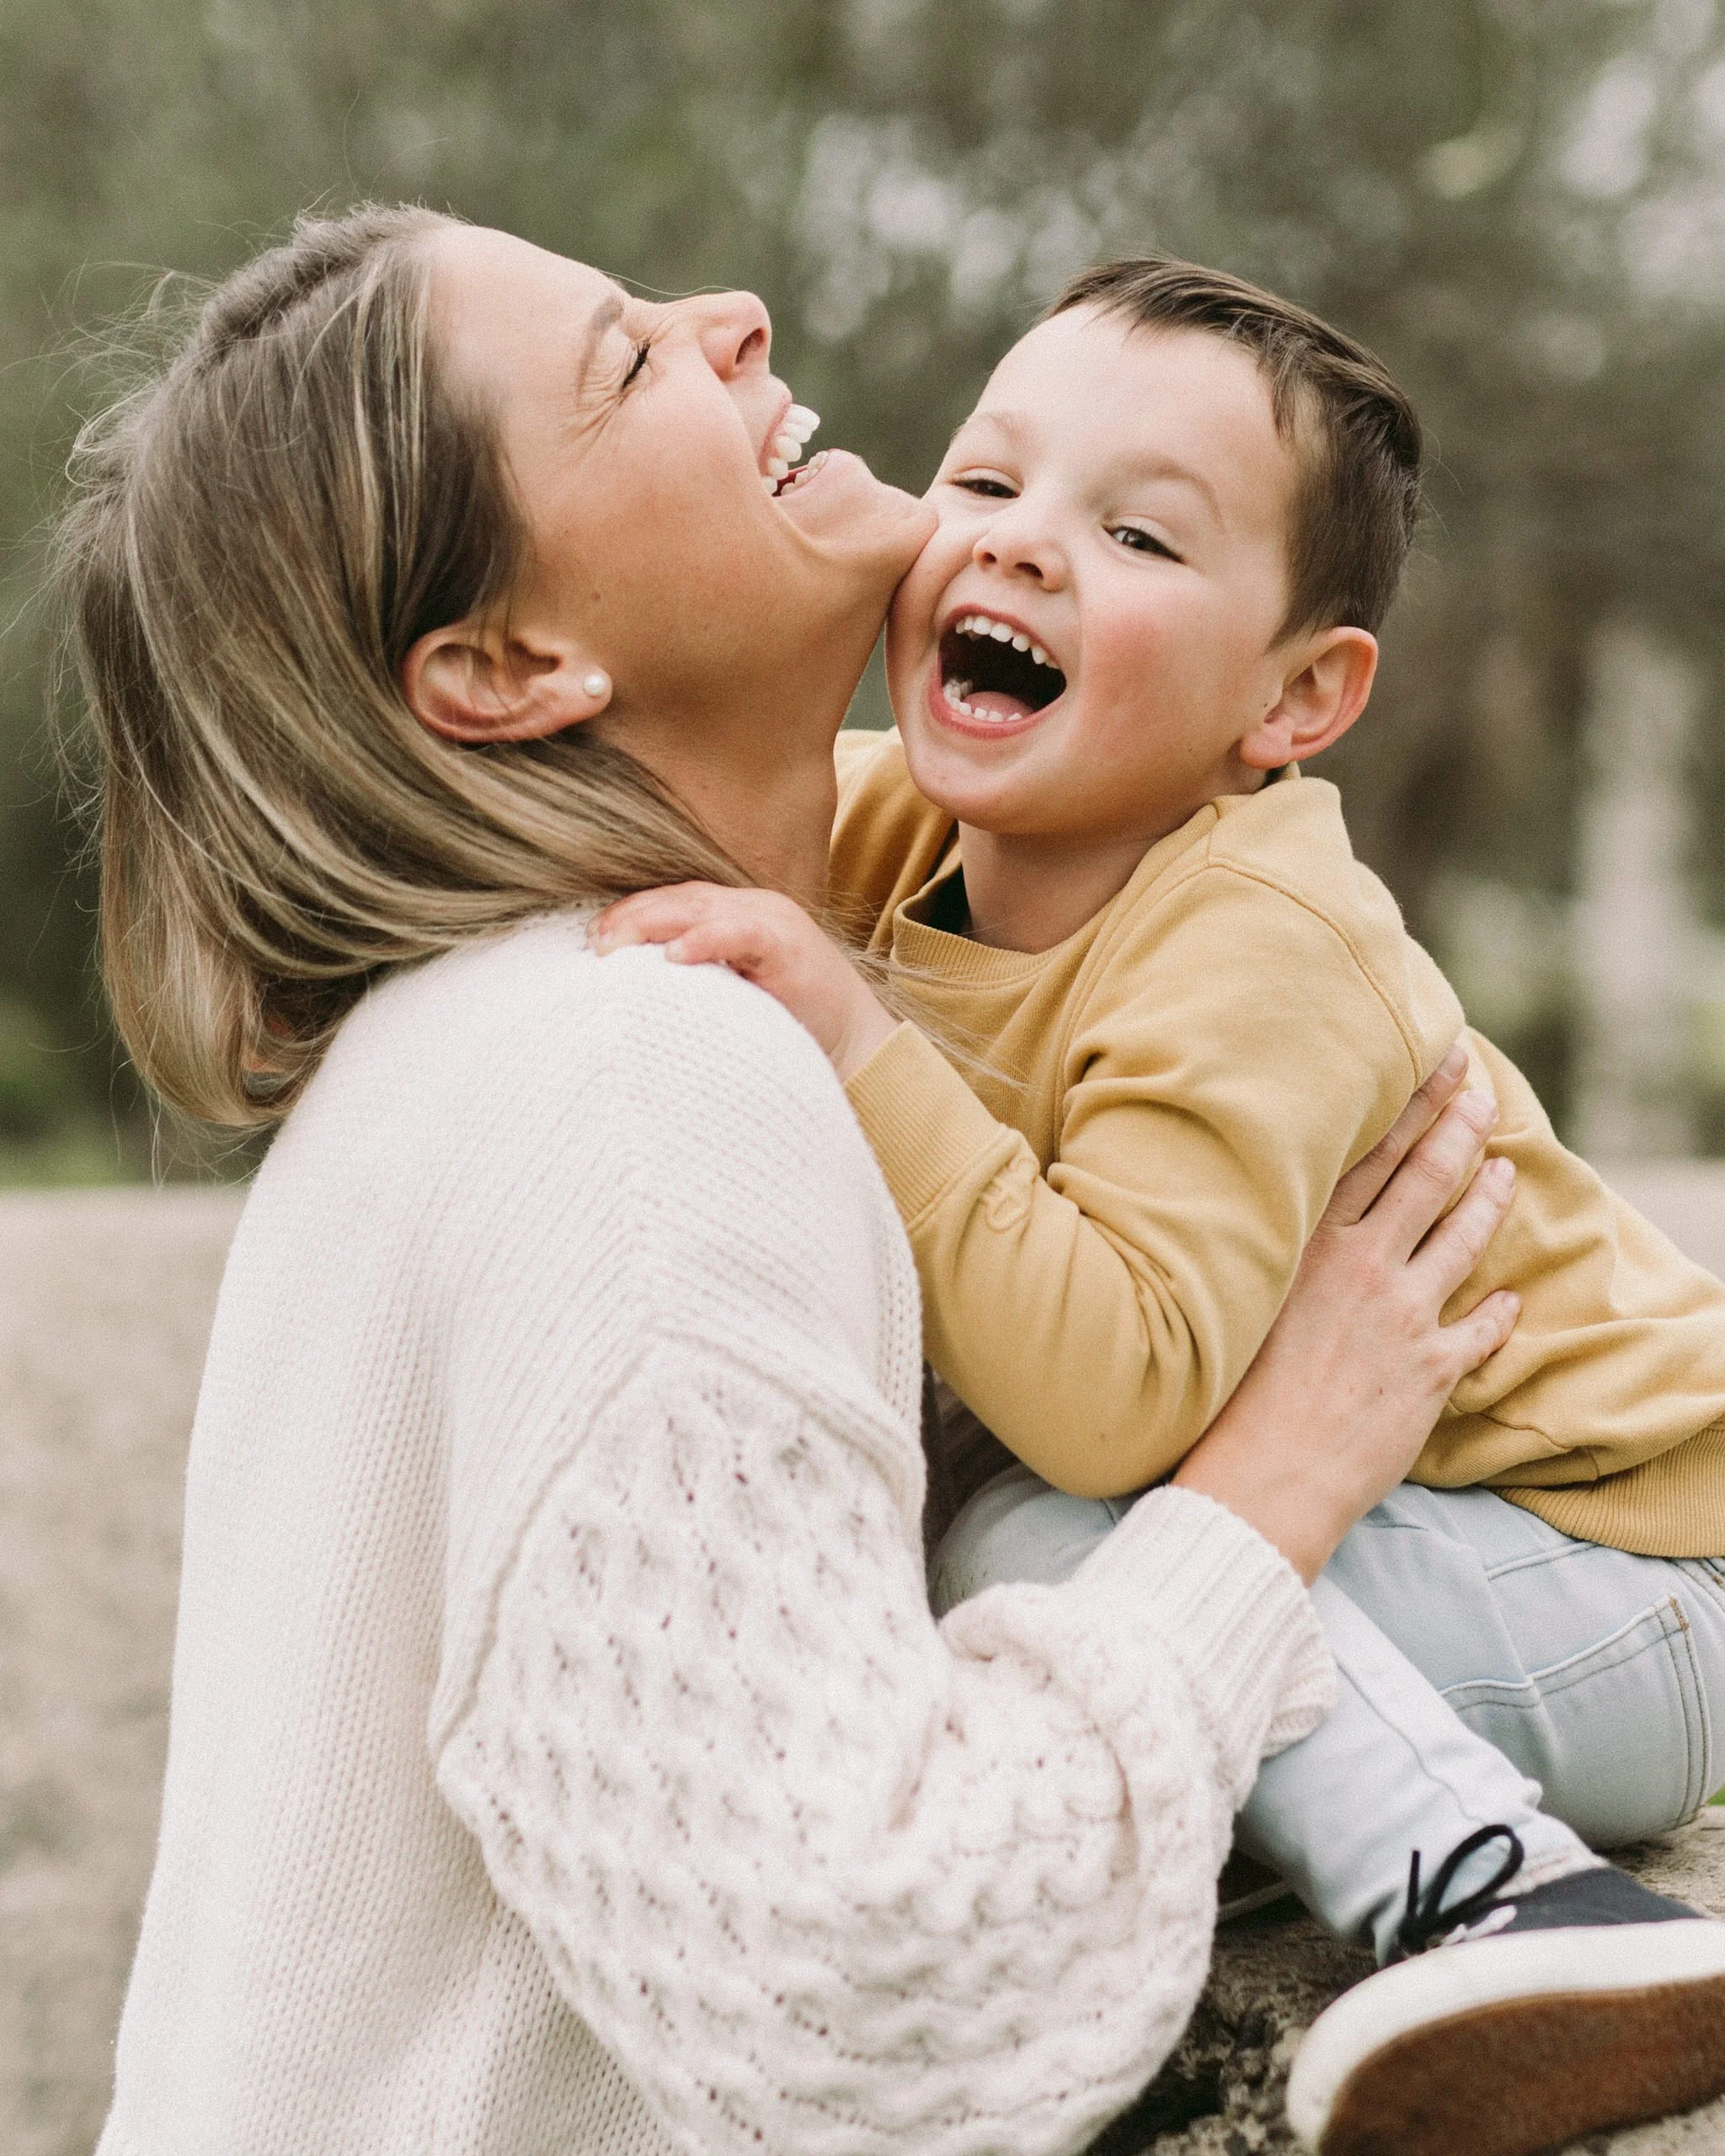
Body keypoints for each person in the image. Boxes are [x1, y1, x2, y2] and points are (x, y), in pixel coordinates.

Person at [56, 205, 1526, 2156]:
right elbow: (863, 1996)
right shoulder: (645, 1083)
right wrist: (1272, 1484)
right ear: (508, 666)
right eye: (626, 362)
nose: (731, 313)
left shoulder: (487, 1029)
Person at [592, 256, 1725, 2154]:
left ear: (1294, 698)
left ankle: (1511, 1893)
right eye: (985, 483)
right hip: (1426, 1550)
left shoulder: (1260, 933)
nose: (1022, 549)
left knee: (1045, 1538)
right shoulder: (905, 829)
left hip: (1633, 1565)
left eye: (1134, 533)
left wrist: (852, 1034)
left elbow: (1113, 1396)